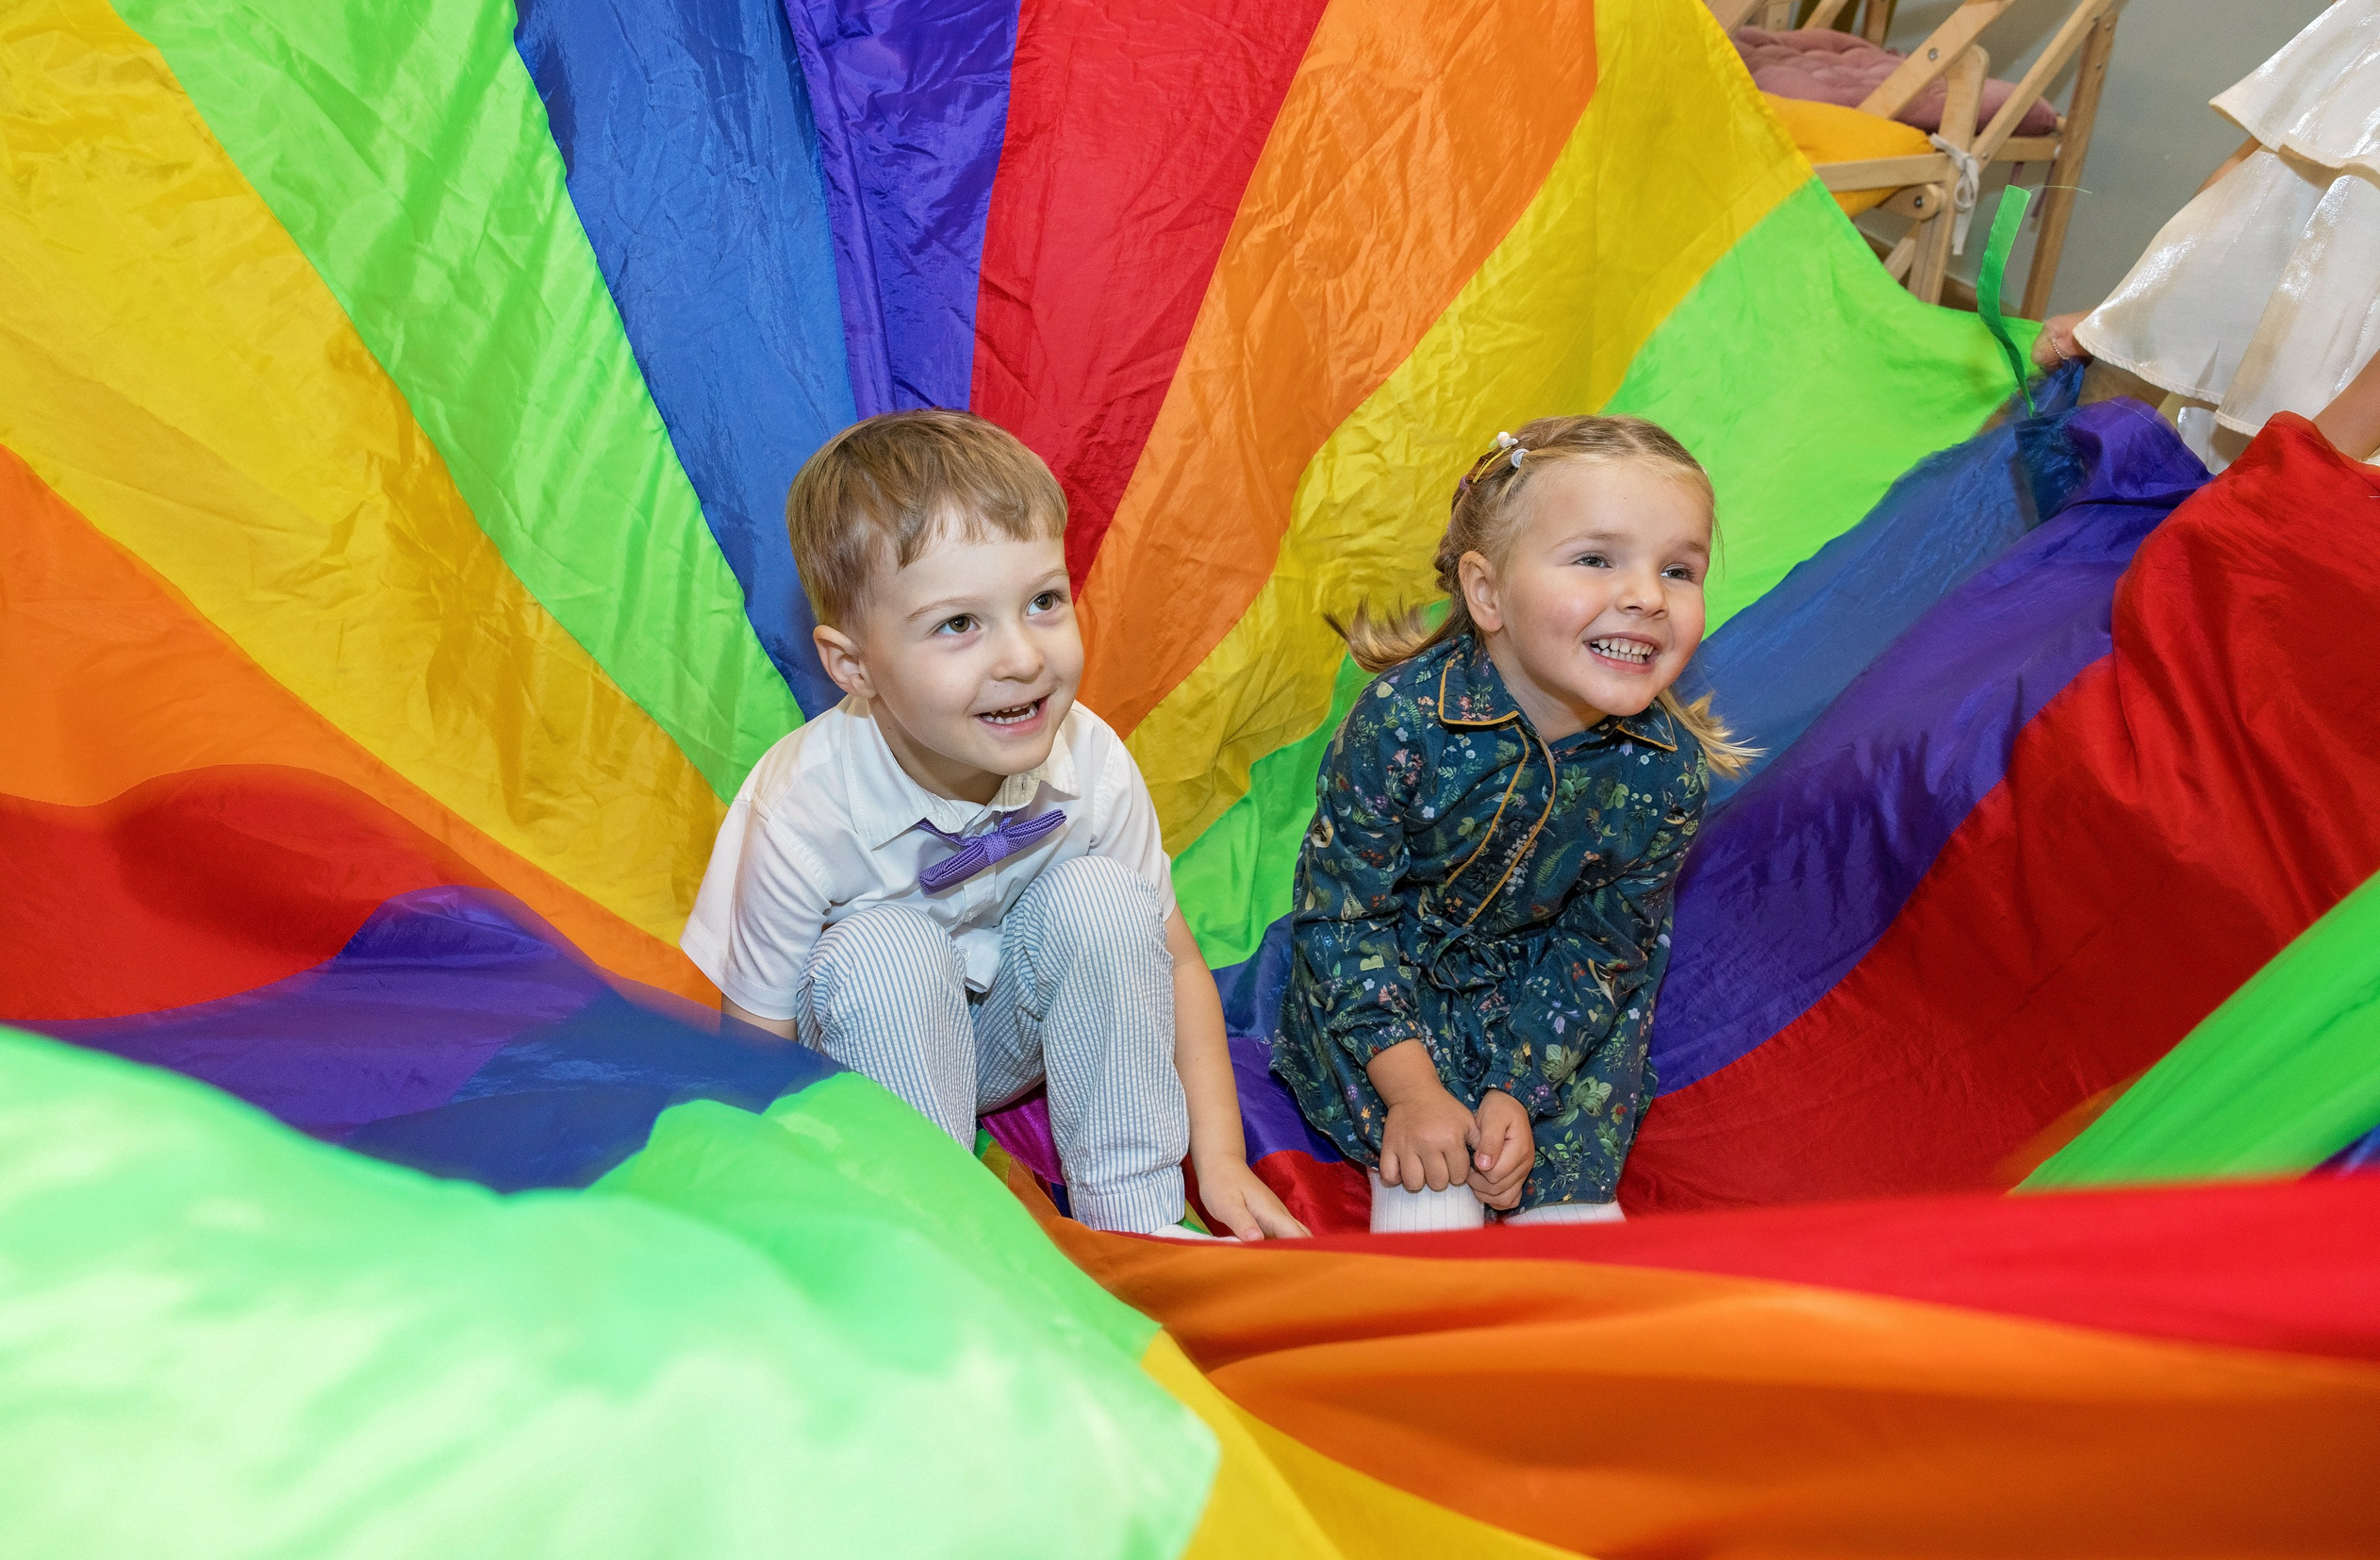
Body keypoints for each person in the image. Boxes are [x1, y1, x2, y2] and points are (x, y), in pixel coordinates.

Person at [682, 409, 1306, 1242]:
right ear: (853, 666)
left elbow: (1178, 964)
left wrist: (1221, 1162)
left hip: (1004, 1041)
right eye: (959, 624)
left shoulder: (1086, 758)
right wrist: (760, 1222)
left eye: (1043, 601)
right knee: (885, 949)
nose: (1021, 656)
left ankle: (1139, 1216)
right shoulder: (803, 808)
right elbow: (758, 1046)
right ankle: (929, 1241)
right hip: (865, 1045)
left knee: (1105, 898)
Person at [1272, 417, 1754, 1233]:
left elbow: (1602, 949)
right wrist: (1414, 1092)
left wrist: (1519, 1090)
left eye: (1679, 569)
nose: (1645, 595)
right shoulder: (1402, 724)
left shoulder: (1665, 771)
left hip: (1556, 1015)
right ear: (1487, 592)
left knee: (1575, 1238)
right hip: (1393, 991)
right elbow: (1346, 917)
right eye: (1597, 559)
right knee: (1438, 1208)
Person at [2034, 0, 2380, 466]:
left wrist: (2317, 460)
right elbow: (2261, 173)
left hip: (2336, 435)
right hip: (2263, 390)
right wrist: (2121, 312)